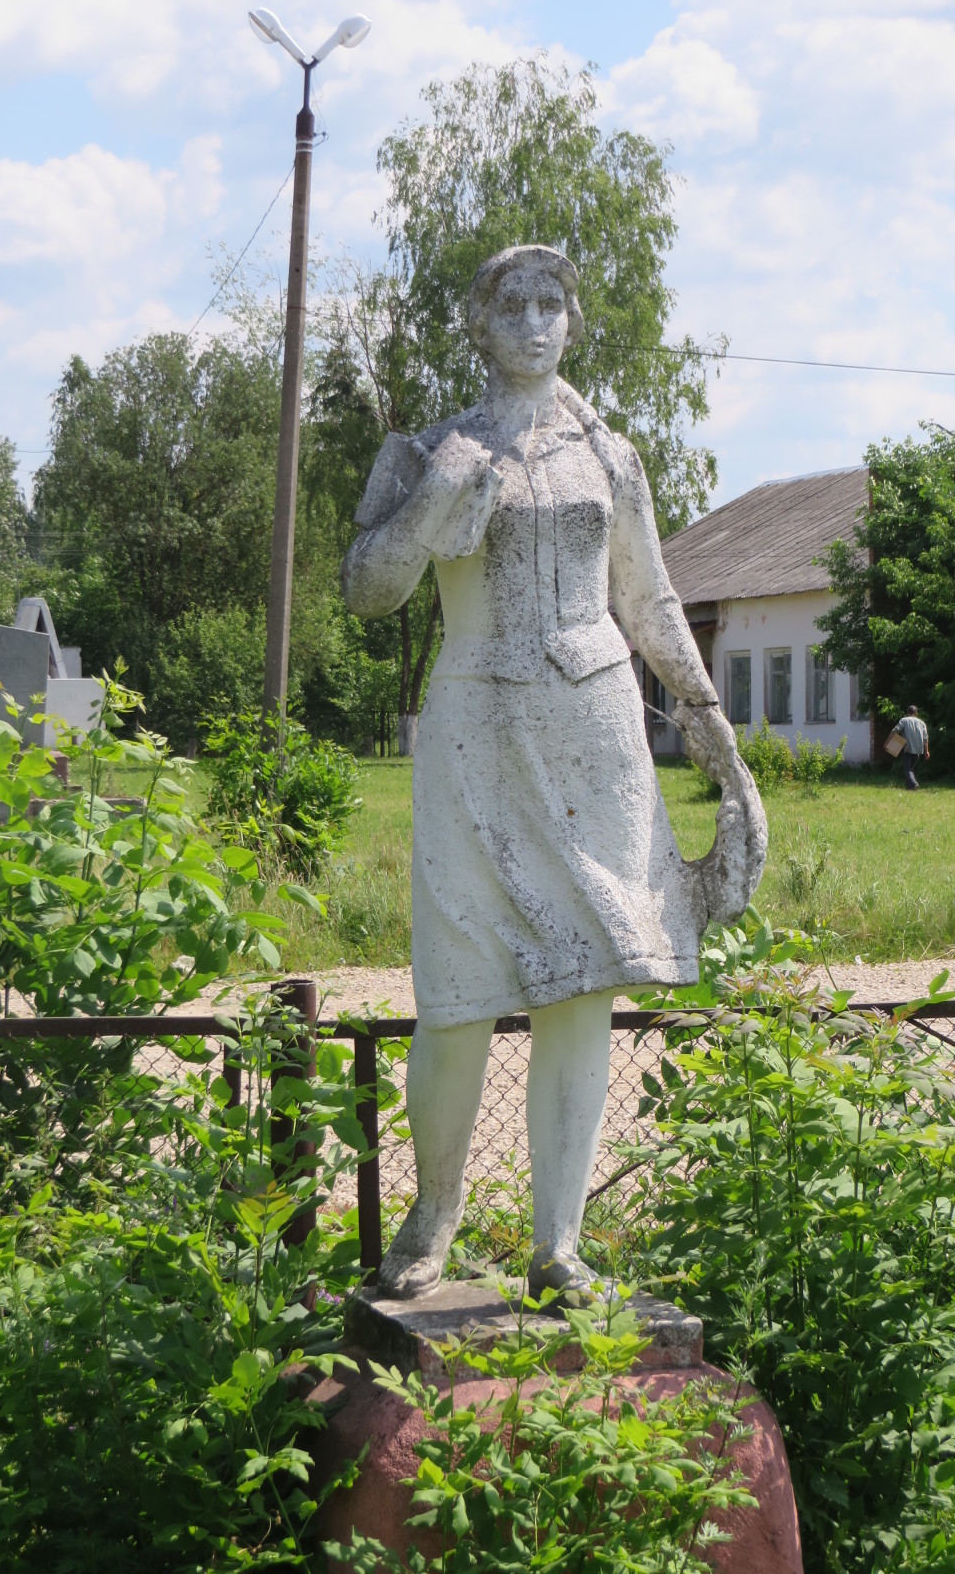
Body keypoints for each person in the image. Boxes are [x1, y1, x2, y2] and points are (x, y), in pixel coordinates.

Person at [340, 244, 767, 1300]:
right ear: (479, 325)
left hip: (595, 730)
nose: (534, 324)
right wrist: (436, 501)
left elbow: (650, 600)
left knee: (583, 986)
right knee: (456, 996)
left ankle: (558, 1246)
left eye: (551, 304)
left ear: (572, 320)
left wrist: (713, 729)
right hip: (475, 731)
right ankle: (434, 1218)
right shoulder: (432, 449)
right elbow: (368, 591)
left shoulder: (610, 455)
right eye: (513, 306)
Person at [894, 704, 930, 789]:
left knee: (907, 768)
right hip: (918, 750)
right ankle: (909, 787)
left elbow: (895, 730)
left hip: (907, 749)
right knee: (911, 768)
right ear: (916, 713)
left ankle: (914, 783)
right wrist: (926, 751)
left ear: (907, 712)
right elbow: (925, 738)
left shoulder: (904, 720)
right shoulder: (922, 723)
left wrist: (890, 742)